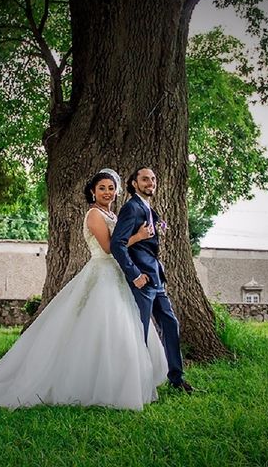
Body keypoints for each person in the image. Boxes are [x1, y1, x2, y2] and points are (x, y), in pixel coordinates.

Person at [0, 170, 168, 410]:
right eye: (102, 188)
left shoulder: (114, 214)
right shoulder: (94, 215)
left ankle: (114, 381)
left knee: (117, 329)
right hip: (101, 273)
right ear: (93, 192)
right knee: (101, 325)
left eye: (111, 188)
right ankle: (87, 385)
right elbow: (110, 248)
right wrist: (138, 237)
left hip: (117, 276)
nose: (107, 193)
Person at [110, 167, 193, 393]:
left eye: (153, 179)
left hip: (157, 279)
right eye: (145, 179)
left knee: (170, 323)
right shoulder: (131, 207)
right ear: (134, 184)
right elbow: (117, 244)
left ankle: (176, 378)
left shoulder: (148, 208)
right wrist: (134, 274)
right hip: (142, 279)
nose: (151, 183)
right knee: (141, 330)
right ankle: (134, 384)